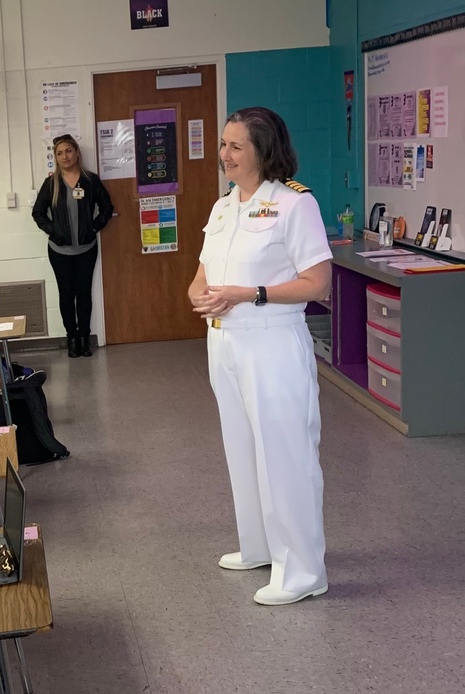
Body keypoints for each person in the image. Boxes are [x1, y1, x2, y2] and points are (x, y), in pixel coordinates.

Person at [187, 106, 332, 606]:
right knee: (242, 448)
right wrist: (199, 296)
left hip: (271, 342)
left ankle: (303, 570)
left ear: (262, 151)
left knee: (285, 455)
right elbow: (201, 277)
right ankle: (261, 547)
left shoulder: (294, 204)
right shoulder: (224, 207)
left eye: (234, 146)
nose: (223, 155)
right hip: (224, 341)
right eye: (223, 144)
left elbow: (317, 282)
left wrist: (252, 293)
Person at [32, 133, 114, 358]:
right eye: (59, 153)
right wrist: (54, 231)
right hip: (59, 251)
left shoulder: (90, 180)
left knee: (84, 294)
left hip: (87, 249)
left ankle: (84, 339)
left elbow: (107, 207)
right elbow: (37, 213)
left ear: (77, 153)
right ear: (55, 158)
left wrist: (94, 227)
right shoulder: (51, 184)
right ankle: (71, 339)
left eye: (68, 151)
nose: (65, 156)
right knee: (66, 295)